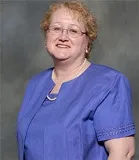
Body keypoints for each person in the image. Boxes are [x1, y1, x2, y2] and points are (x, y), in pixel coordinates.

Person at [17, 1, 136, 160]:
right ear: (47, 36)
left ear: (88, 42)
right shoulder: (35, 84)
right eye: (56, 29)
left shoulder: (109, 83)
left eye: (73, 31)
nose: (63, 37)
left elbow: (123, 153)